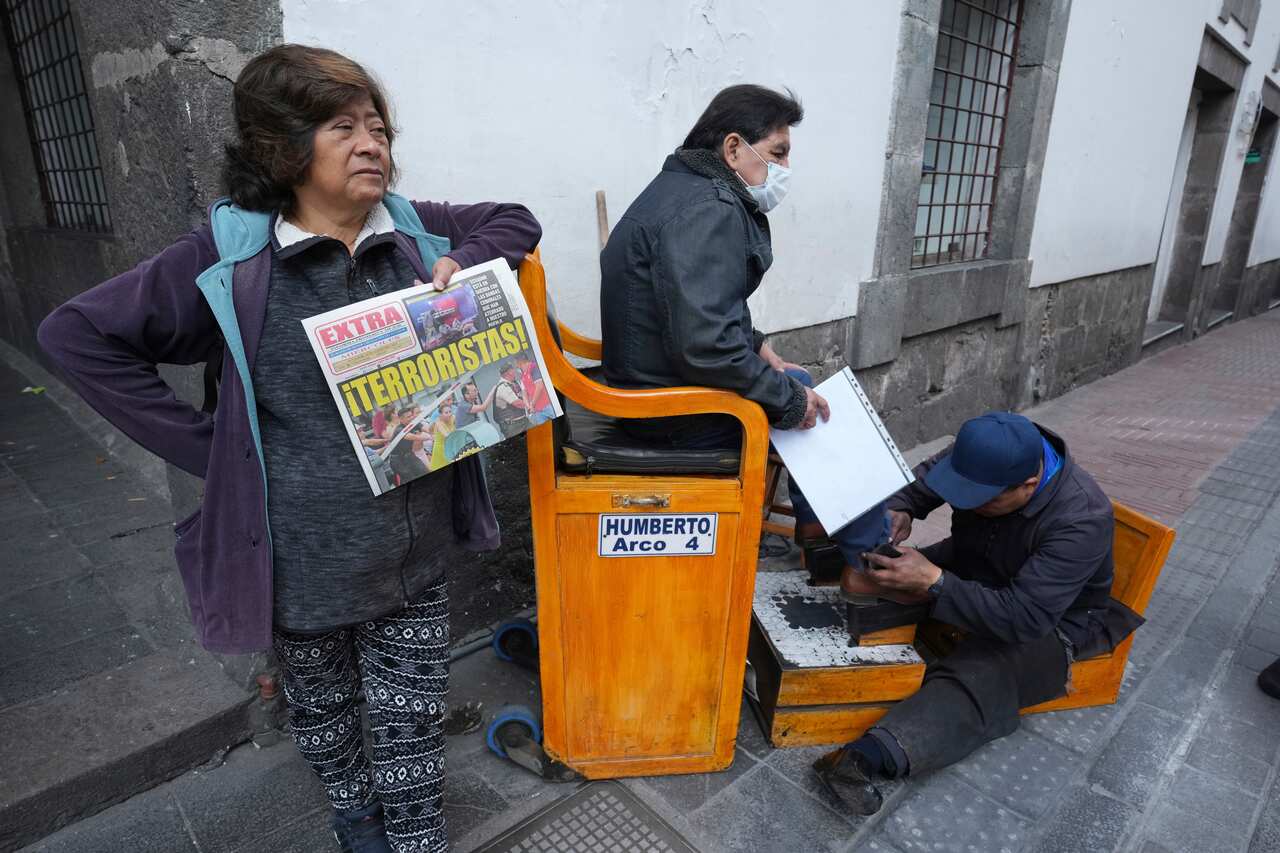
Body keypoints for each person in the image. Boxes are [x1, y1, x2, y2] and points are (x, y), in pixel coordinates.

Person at [36, 44, 541, 853]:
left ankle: (417, 838)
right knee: (328, 710)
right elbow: (75, 334)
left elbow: (514, 219)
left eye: (377, 125)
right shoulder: (231, 260)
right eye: (342, 126)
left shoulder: (410, 232)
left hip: (414, 555)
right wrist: (214, 450)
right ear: (281, 148)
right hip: (298, 565)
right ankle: (356, 820)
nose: (373, 142)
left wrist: (468, 261)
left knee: (412, 718)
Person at [598, 83, 886, 564]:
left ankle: (825, 536)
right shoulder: (708, 207)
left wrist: (756, 347)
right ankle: (871, 564)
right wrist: (788, 400)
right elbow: (707, 345)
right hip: (666, 414)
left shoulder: (681, 189)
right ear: (734, 148)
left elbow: (688, 305)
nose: (784, 170)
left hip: (649, 388)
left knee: (798, 383)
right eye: (778, 153)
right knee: (814, 406)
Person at [813, 412, 1143, 816]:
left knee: (987, 669)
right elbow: (922, 482)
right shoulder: (985, 451)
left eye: (982, 500)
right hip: (974, 562)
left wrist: (934, 582)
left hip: (1049, 620)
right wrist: (902, 507)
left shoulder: (1082, 517)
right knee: (875, 569)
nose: (969, 503)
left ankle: (868, 756)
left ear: (1029, 485)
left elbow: (1024, 618)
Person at [513, 351, 555, 425]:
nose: (515, 365)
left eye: (515, 362)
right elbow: (524, 392)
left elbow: (539, 386)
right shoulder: (522, 376)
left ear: (520, 361)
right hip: (537, 411)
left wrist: (532, 404)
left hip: (548, 405)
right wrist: (528, 406)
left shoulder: (534, 368)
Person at [492, 360, 530, 439]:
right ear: (508, 372)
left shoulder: (513, 383)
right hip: (513, 427)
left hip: (522, 421)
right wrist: (532, 404)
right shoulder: (503, 387)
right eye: (513, 369)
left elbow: (523, 396)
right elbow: (518, 403)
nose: (515, 371)